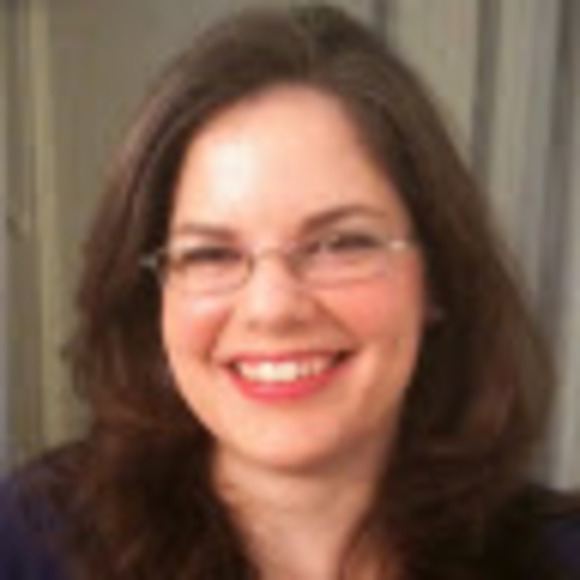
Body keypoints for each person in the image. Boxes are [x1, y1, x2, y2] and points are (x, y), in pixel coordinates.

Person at [1, 4, 579, 579]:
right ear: (154, 299)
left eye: (341, 244)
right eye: (210, 254)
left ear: (437, 277)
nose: (273, 307)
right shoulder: (26, 543)